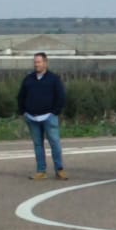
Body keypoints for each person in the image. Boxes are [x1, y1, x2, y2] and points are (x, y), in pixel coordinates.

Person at [17, 52, 69, 180]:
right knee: (38, 145)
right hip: (32, 117)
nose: (36, 64)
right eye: (35, 62)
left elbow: (61, 97)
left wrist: (55, 112)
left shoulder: (54, 79)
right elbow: (21, 96)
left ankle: (59, 170)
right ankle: (41, 171)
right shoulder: (28, 79)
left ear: (45, 63)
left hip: (49, 117)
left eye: (39, 62)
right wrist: (22, 111)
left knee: (55, 143)